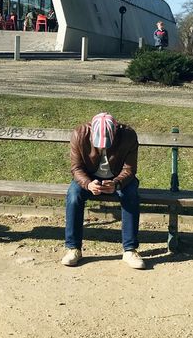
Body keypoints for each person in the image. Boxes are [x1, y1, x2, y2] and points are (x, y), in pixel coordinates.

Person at [62, 112, 146, 270]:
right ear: (92, 132)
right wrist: (88, 184)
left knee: (131, 195)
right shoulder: (79, 134)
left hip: (118, 178)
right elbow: (76, 168)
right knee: (73, 196)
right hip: (88, 177)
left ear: (115, 132)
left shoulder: (128, 136)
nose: (101, 146)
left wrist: (117, 183)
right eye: (98, 143)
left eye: (106, 143)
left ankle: (130, 250)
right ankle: (73, 248)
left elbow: (129, 169)